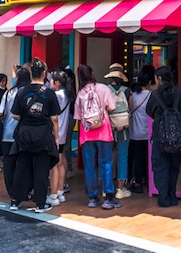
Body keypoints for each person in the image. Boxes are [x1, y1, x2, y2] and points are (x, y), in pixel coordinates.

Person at [11, 58, 59, 213]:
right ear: (45, 73)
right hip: (43, 135)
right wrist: (57, 138)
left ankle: (15, 200)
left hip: (25, 134)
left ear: (31, 73)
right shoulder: (50, 94)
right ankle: (40, 203)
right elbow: (55, 118)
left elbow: (15, 115)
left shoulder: (22, 91)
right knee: (41, 169)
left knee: (22, 167)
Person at [146, 66, 181, 207]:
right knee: (174, 166)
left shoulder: (155, 96)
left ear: (159, 79)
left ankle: (164, 198)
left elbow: (149, 112)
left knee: (160, 166)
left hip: (160, 136)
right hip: (178, 137)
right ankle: (173, 196)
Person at [74, 64, 120, 210]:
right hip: (103, 132)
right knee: (106, 164)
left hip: (87, 134)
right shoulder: (103, 89)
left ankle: (92, 198)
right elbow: (112, 106)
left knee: (90, 166)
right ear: (92, 73)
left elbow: (77, 116)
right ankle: (108, 197)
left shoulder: (80, 94)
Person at [0, 68, 28, 208]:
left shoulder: (8, 93)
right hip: (23, 134)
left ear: (17, 78)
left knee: (9, 165)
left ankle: (12, 191)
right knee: (22, 164)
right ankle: (22, 191)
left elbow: (1, 112)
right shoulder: (28, 93)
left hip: (7, 133)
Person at [104, 65, 132, 200]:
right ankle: (121, 189)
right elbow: (130, 109)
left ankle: (106, 188)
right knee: (122, 157)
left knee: (107, 157)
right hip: (124, 129)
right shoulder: (127, 91)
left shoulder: (105, 90)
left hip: (108, 129)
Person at [48, 70, 73, 206]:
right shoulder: (67, 95)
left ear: (57, 83)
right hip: (63, 133)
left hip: (54, 133)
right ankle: (60, 191)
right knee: (61, 161)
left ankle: (53, 194)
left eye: (51, 80)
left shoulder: (56, 95)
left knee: (54, 164)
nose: (49, 82)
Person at [129, 68, 155, 193]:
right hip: (148, 132)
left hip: (134, 133)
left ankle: (137, 182)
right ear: (150, 82)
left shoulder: (132, 96)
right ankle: (149, 181)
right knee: (148, 158)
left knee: (137, 159)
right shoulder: (151, 96)